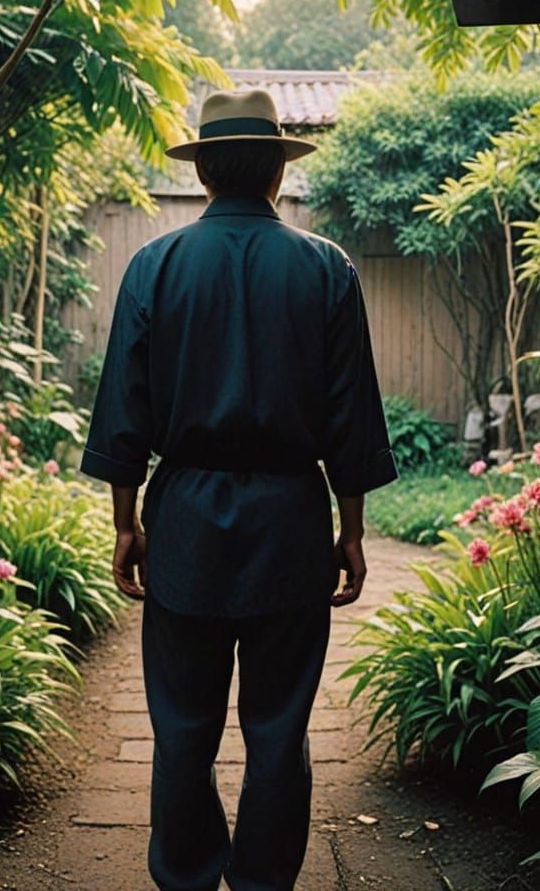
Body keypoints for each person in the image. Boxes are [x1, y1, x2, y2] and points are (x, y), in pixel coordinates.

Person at [80, 88, 398, 891]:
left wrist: (126, 524)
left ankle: (186, 874)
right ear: (276, 175)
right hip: (290, 526)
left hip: (185, 523)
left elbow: (124, 410)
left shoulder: (154, 266)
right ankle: (262, 881)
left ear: (207, 173)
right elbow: (351, 416)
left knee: (182, 725)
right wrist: (351, 531)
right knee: (279, 728)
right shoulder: (327, 268)